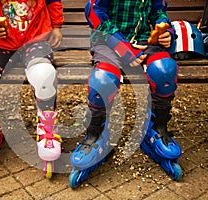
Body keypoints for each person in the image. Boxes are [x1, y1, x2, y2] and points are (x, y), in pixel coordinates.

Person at [69, 0, 182, 188]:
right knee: (102, 81)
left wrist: (166, 32)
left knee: (165, 70)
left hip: (145, 42)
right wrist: (123, 48)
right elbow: (94, 13)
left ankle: (157, 129)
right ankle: (95, 135)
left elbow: (158, 13)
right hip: (109, 42)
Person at [0, 0, 64, 179]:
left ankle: (48, 128)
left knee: (43, 75)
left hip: (36, 42)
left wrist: (56, 26)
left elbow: (53, 2)